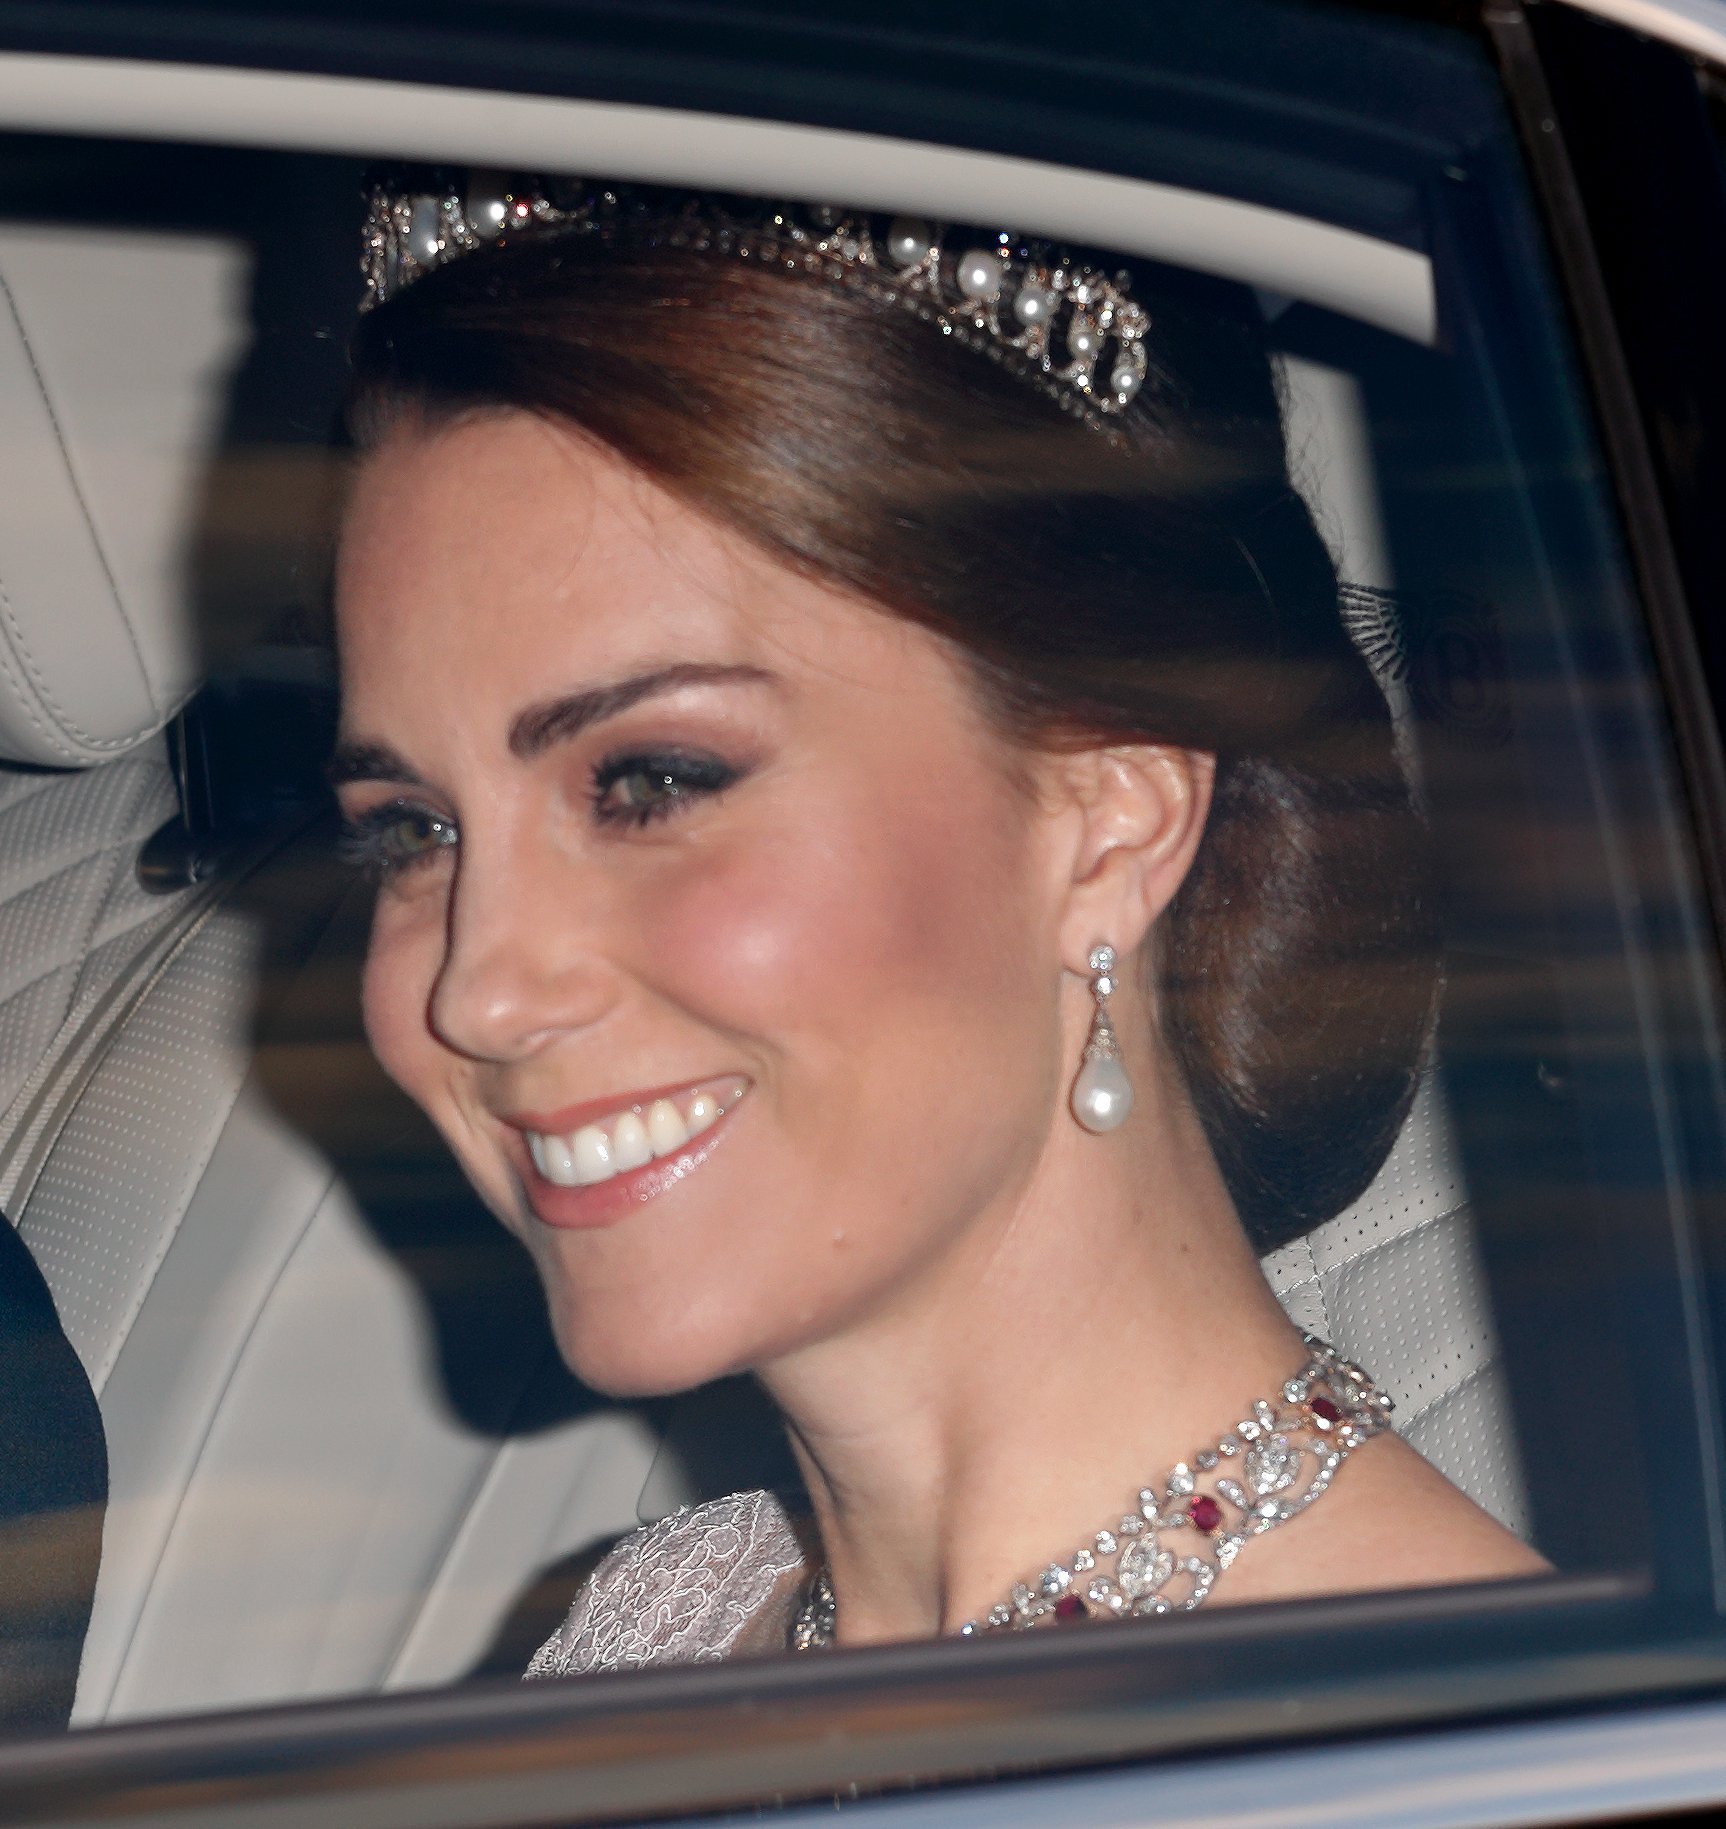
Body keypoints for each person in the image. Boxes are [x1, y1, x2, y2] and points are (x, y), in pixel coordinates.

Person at [330, 177, 1547, 1672]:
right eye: (414, 831)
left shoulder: (1438, 1748)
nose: (483, 989)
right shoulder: (660, 1624)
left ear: (1111, 816)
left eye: (650, 781)